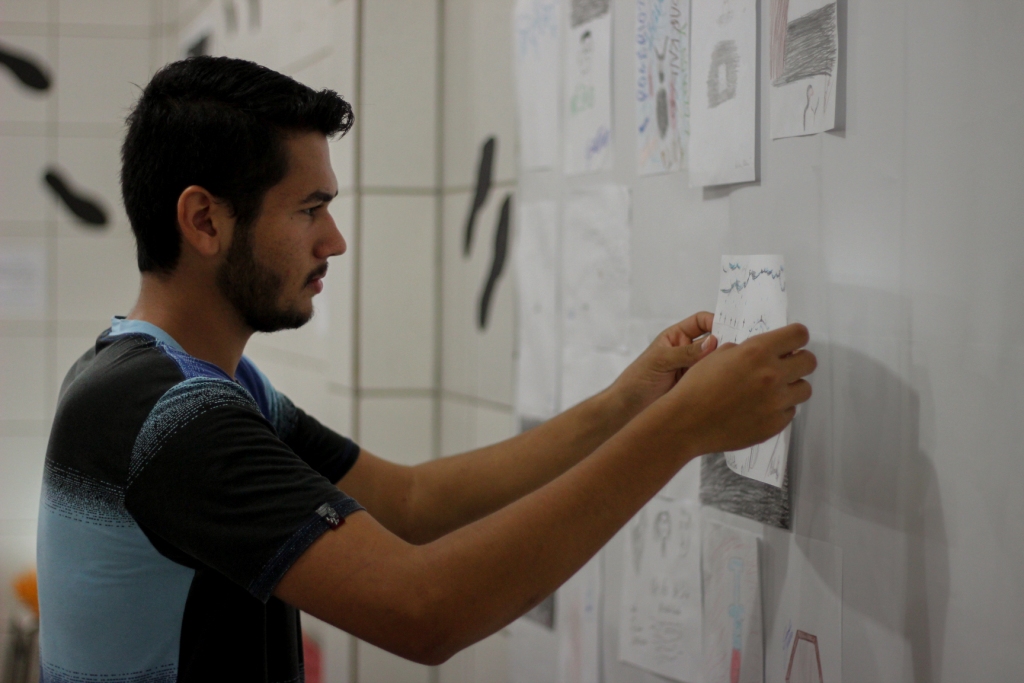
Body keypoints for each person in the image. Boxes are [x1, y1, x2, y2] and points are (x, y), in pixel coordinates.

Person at [36, 56, 815, 682]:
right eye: (308, 209)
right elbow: (425, 610)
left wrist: (630, 402)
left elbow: (412, 501)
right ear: (205, 220)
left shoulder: (176, 378)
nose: (334, 241)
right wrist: (681, 431)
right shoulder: (173, 419)